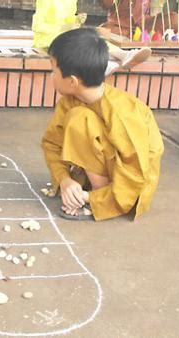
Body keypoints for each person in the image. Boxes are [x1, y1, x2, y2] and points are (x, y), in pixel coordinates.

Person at [41, 28, 164, 221]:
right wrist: (64, 181)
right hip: (106, 169)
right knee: (79, 117)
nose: (50, 76)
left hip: (131, 187)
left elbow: (136, 171)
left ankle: (98, 200)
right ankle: (87, 191)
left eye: (53, 70)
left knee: (80, 120)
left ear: (72, 81)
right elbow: (51, 143)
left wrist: (91, 197)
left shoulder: (123, 113)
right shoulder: (70, 100)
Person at [31, 0, 152, 75]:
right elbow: (38, 26)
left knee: (92, 36)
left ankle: (125, 55)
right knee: (84, 39)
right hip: (46, 40)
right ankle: (102, 65)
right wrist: (64, 28)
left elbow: (69, 22)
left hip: (65, 36)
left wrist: (77, 19)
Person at [100, 0, 179, 37]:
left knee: (175, 20)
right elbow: (106, 4)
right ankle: (137, 37)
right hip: (119, 25)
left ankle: (141, 36)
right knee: (106, 30)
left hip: (145, 24)